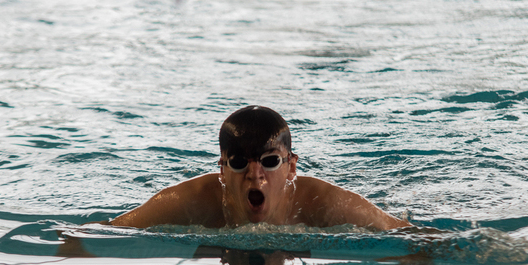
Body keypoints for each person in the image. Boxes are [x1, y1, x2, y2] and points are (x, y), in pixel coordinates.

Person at [110, 105, 410, 230]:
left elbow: (407, 234)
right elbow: (106, 233)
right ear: (222, 170)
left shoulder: (325, 203)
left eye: (269, 162)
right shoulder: (189, 201)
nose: (255, 174)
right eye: (240, 163)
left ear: (291, 168)